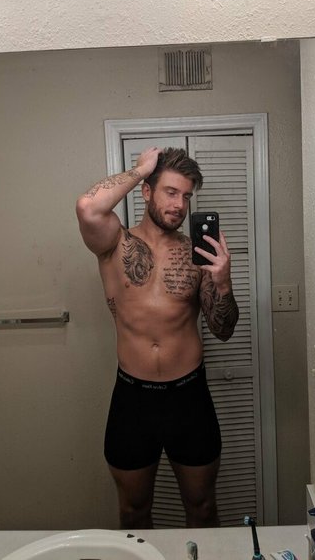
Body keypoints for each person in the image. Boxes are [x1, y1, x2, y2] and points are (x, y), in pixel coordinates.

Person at [76, 146, 239, 529]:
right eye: (170, 191)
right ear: (147, 191)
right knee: (133, 512)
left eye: (186, 196)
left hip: (189, 396)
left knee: (202, 508)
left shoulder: (197, 253)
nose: (179, 204)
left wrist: (223, 283)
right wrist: (140, 169)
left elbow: (223, 330)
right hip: (133, 398)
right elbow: (88, 207)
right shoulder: (114, 243)